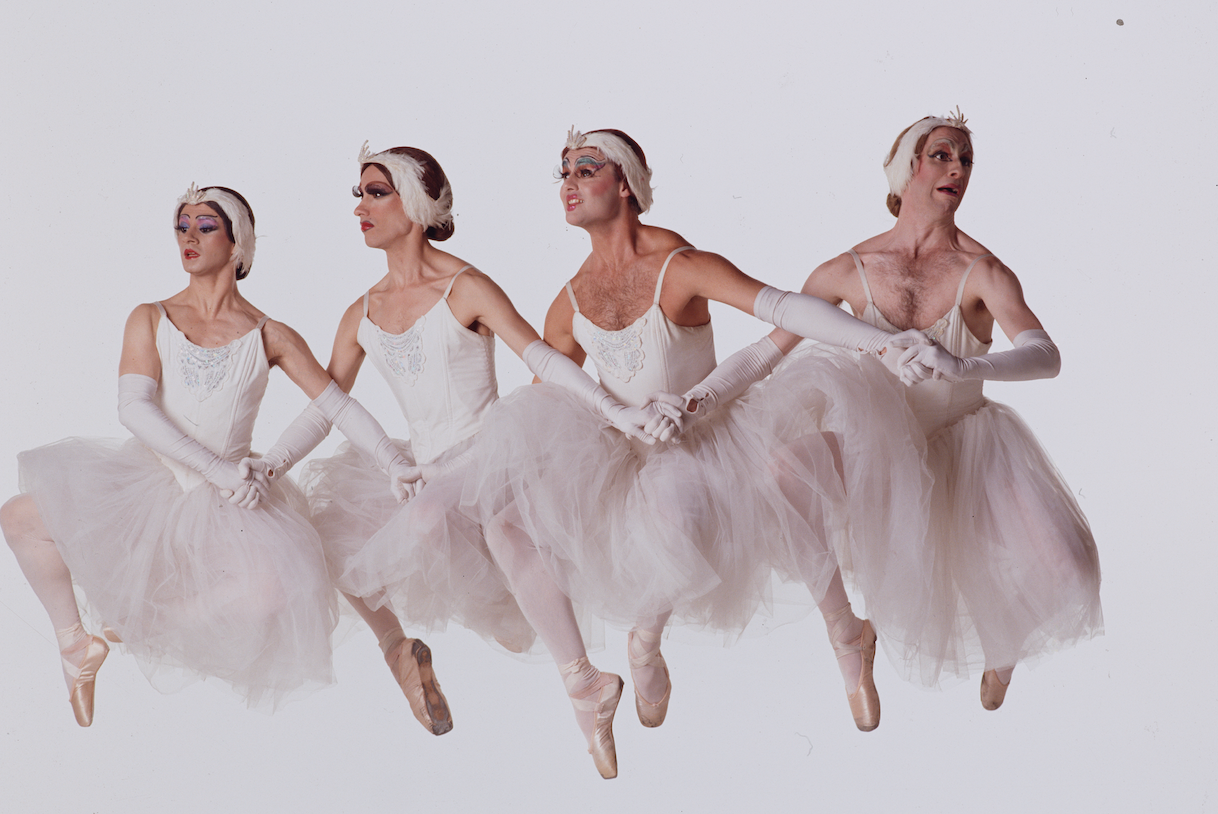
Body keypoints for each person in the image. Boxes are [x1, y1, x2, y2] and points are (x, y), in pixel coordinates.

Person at [463, 128, 931, 776]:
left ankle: (837, 634)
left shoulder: (678, 266)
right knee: (509, 518)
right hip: (626, 444)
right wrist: (619, 418)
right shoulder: (566, 303)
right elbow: (550, 397)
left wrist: (876, 344)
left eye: (585, 168)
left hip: (710, 437)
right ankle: (586, 680)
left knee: (701, 503)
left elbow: (786, 308)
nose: (567, 183)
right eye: (562, 171)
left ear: (623, 183)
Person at [286, 144, 674, 743]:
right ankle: (398, 650)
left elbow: (539, 353)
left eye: (375, 192)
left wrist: (612, 411)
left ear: (414, 204)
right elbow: (326, 408)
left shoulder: (464, 286)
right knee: (328, 536)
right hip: (421, 470)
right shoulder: (359, 314)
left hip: (489, 458)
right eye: (358, 195)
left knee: (428, 524)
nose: (360, 206)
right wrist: (268, 464)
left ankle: (582, 679)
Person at [0, 184, 417, 724]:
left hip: (232, 504)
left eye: (205, 226)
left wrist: (393, 462)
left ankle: (128, 627)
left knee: (274, 588)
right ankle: (75, 645)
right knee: (20, 517)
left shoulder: (271, 335)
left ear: (238, 243)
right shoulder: (150, 317)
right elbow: (134, 408)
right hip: (152, 485)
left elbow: (336, 405)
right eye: (182, 226)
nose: (189, 238)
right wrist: (217, 469)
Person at [761, 110, 1103, 708]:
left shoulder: (983, 271)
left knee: (1070, 568)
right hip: (875, 446)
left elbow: (1045, 355)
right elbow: (771, 346)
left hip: (964, 444)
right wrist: (701, 397)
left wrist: (967, 367)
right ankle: (847, 634)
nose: (958, 169)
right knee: (784, 471)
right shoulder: (846, 269)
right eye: (943, 155)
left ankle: (1004, 651)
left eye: (967, 160)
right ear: (907, 168)